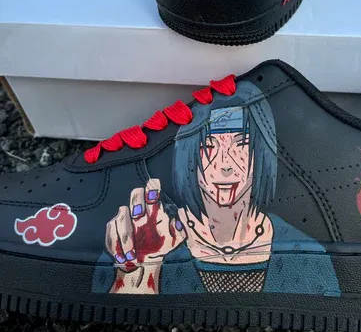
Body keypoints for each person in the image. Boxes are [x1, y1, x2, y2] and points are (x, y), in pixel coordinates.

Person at [93, 81, 340, 296]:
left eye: (241, 144)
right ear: (189, 153)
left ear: (262, 152)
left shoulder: (307, 255)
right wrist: (141, 272)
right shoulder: (149, 234)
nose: (225, 165)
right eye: (209, 146)